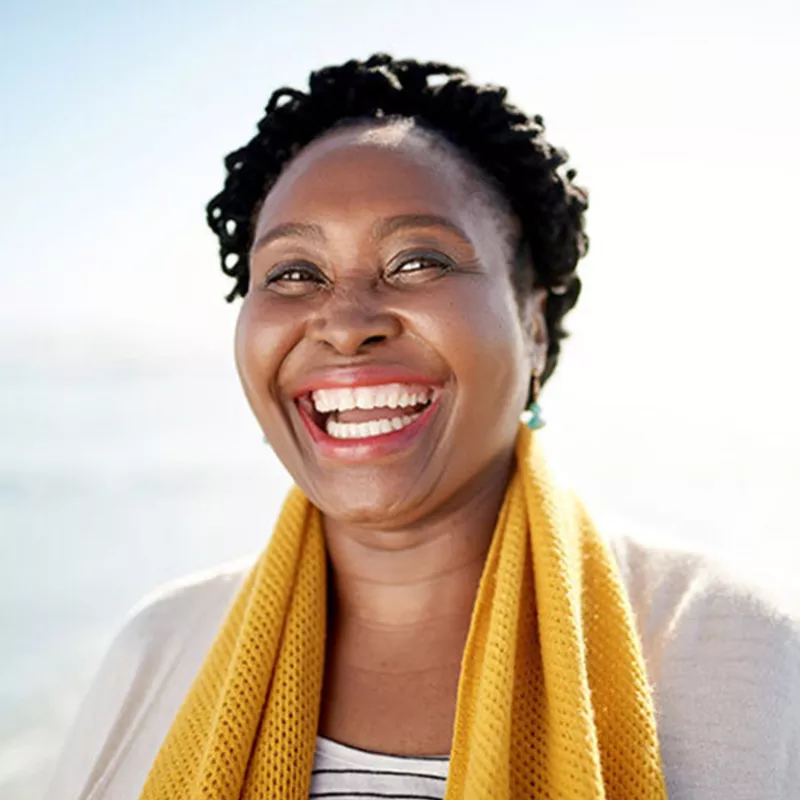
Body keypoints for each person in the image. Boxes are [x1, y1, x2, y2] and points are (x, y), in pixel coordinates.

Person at [49, 54, 799, 800]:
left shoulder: (740, 650)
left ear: (532, 325)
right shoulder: (159, 649)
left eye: (417, 262)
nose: (345, 325)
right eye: (292, 274)